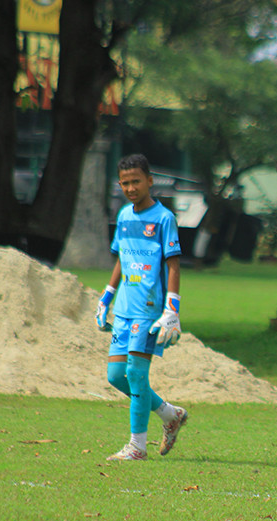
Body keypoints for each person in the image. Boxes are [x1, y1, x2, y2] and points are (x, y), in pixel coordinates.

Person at [95, 154, 189, 461]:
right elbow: (121, 258)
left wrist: (171, 310)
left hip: (149, 310)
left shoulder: (164, 219)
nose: (131, 187)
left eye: (136, 181)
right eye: (125, 183)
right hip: (123, 308)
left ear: (149, 181)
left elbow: (173, 266)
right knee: (115, 376)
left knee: (136, 373)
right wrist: (107, 296)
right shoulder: (123, 216)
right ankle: (169, 414)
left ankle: (137, 447)